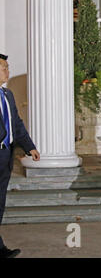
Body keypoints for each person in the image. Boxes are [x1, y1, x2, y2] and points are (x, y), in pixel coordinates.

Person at [0, 54, 40, 258]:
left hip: (5, 157)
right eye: (4, 68)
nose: (8, 71)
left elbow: (16, 123)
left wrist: (29, 146)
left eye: (8, 67)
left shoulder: (7, 95)